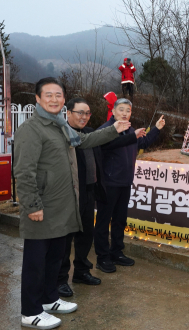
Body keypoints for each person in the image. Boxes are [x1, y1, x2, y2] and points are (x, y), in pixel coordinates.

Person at [14, 77, 131, 329]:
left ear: (64, 100)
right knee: (36, 262)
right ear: (38, 98)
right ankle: (30, 312)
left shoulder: (61, 127)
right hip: (42, 207)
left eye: (58, 95)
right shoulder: (31, 129)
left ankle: (49, 299)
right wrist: (32, 206)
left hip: (62, 207)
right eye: (48, 95)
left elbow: (86, 141)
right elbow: (24, 172)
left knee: (55, 258)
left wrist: (113, 129)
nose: (54, 99)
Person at [57, 98, 147, 298]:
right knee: (66, 237)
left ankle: (81, 272)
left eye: (87, 113)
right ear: (68, 113)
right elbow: (111, 143)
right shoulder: (62, 134)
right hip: (71, 192)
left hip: (91, 190)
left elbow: (107, 143)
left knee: (86, 234)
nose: (84, 117)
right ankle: (60, 279)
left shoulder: (90, 133)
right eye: (79, 113)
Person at [94, 98, 166, 273]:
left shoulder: (130, 130)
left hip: (125, 182)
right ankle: (102, 258)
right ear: (113, 111)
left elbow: (142, 143)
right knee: (103, 221)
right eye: (121, 109)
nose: (125, 113)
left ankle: (116, 252)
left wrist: (156, 129)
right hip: (108, 183)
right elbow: (108, 145)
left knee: (120, 220)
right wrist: (132, 136)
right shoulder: (105, 130)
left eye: (128, 110)